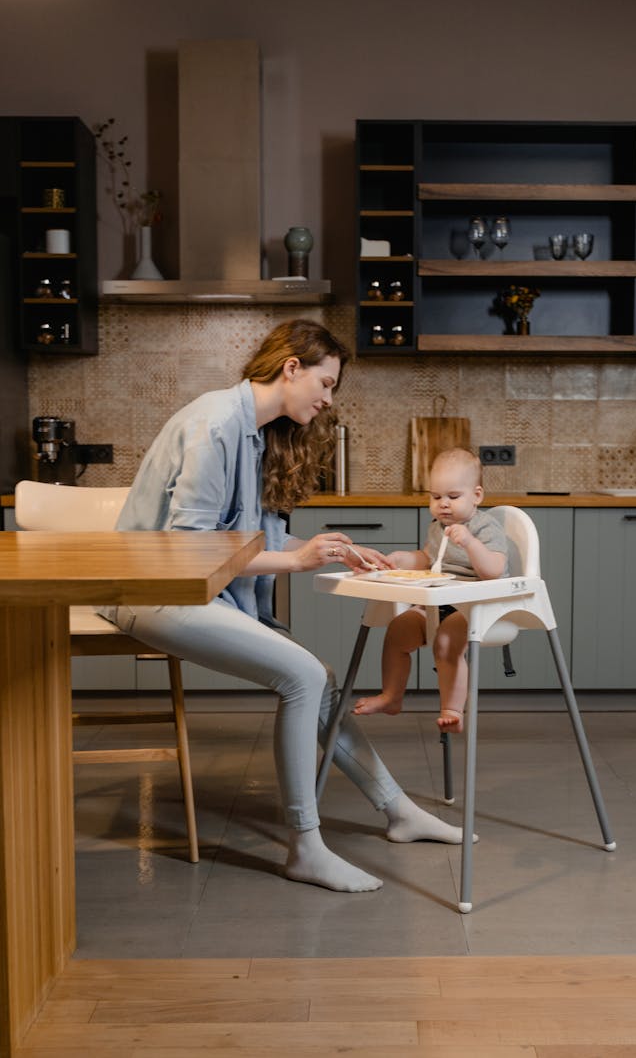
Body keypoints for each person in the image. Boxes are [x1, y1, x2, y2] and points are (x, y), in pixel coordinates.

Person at [101, 318, 468, 894]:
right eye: (325, 383)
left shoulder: (253, 433)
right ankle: (305, 846)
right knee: (303, 674)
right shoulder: (215, 423)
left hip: (194, 591)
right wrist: (297, 563)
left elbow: (254, 543)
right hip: (151, 594)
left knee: (315, 679)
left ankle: (398, 811)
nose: (327, 400)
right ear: (290, 367)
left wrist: (329, 549)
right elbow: (192, 552)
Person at [354, 448, 507, 733]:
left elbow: (494, 569)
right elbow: (429, 560)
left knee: (447, 642)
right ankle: (391, 696)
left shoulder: (486, 527)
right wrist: (401, 559)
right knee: (398, 629)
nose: (443, 505)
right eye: (436, 497)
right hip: (438, 601)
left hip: (476, 605)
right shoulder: (438, 527)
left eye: (453, 496)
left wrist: (471, 543)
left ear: (477, 495)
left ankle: (452, 710)